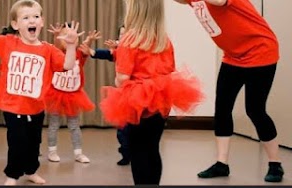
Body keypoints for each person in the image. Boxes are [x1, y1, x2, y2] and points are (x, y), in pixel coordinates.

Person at [173, 0, 284, 182]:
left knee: (255, 110)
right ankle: (221, 164)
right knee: (222, 109)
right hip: (233, 57)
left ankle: (275, 164)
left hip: (260, 52)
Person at [100, 0, 203, 184]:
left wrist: (118, 79)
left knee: (138, 149)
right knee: (152, 148)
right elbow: (170, 71)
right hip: (161, 101)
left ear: (133, 10)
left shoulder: (129, 40)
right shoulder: (164, 40)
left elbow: (122, 78)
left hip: (138, 103)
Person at [0, 0, 81, 185]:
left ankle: (31, 170)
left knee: (34, 143)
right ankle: (12, 174)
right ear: (16, 25)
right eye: (26, 17)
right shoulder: (9, 42)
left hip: (36, 107)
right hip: (12, 106)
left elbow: (67, 65)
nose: (31, 21)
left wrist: (72, 45)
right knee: (16, 142)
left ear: (41, 22)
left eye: (35, 17)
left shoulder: (48, 49)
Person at [42, 23, 100, 164]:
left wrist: (90, 40)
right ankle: (52, 151)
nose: (69, 38)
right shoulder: (56, 53)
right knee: (54, 124)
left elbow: (85, 47)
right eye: (65, 35)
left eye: (72, 36)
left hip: (73, 95)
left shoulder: (79, 53)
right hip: (56, 94)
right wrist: (56, 35)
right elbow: (56, 45)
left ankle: (78, 153)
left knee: (74, 125)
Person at [79, 25, 131, 166]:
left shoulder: (134, 50)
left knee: (135, 128)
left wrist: (120, 46)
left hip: (136, 95)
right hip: (122, 95)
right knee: (122, 128)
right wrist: (91, 51)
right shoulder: (118, 51)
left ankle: (136, 152)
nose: (122, 38)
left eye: (126, 35)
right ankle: (125, 153)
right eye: (120, 35)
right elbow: (108, 54)